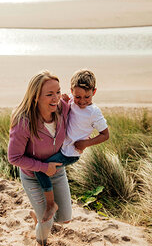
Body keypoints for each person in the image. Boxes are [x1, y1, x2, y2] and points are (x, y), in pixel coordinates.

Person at [7, 71, 86, 246]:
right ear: (35, 97)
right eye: (49, 94)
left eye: (58, 92)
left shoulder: (63, 108)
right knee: (47, 220)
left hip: (57, 172)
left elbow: (83, 118)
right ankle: (40, 243)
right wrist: (43, 167)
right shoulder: (23, 121)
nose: (56, 98)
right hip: (32, 175)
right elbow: (14, 158)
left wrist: (81, 143)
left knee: (65, 218)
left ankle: (37, 214)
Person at [34, 69, 110, 223]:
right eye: (78, 96)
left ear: (94, 92)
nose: (82, 101)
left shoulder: (94, 112)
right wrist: (64, 98)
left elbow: (105, 135)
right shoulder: (71, 102)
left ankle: (50, 205)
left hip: (70, 153)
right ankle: (41, 209)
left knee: (41, 170)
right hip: (61, 147)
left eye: (87, 97)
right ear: (71, 92)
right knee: (44, 170)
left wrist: (86, 143)